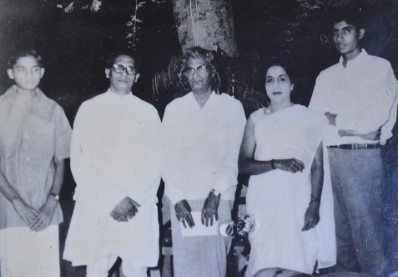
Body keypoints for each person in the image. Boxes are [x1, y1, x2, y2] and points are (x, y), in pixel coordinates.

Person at [309, 8, 398, 276]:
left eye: (345, 30)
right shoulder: (326, 75)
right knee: (340, 239)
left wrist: (336, 120)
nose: (340, 37)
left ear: (360, 33)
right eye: (335, 33)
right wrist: (352, 127)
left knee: (368, 236)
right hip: (330, 159)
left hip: (363, 159)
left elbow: (374, 121)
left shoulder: (379, 68)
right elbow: (314, 121)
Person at [63, 52, 161, 277]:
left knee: (136, 269)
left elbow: (156, 162)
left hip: (137, 206)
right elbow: (80, 161)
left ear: (137, 76)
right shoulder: (89, 109)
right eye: (119, 67)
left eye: (130, 69)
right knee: (97, 267)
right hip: (99, 203)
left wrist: (134, 198)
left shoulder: (148, 113)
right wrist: (111, 198)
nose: (124, 73)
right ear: (108, 72)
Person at [239, 57, 336, 276]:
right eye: (270, 80)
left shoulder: (309, 118)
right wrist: (275, 163)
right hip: (265, 203)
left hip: (297, 202)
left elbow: (317, 166)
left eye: (282, 79)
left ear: (292, 85)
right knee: (264, 263)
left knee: (297, 263)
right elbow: (243, 165)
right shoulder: (256, 119)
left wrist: (314, 204)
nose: (275, 85)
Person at [161, 46, 246, 277]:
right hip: (184, 202)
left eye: (201, 68)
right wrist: (177, 199)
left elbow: (233, 158)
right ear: (184, 75)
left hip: (219, 201)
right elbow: (166, 158)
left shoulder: (231, 107)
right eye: (190, 70)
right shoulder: (174, 109)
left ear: (212, 71)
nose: (196, 74)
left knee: (214, 267)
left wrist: (215, 195)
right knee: (186, 269)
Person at [0, 49, 72, 277]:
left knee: (45, 271)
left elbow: (61, 161)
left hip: (45, 210)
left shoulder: (54, 110)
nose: (29, 75)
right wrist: (16, 202)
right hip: (9, 210)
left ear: (41, 73)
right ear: (11, 73)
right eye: (21, 69)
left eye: (34, 69)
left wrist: (52, 201)